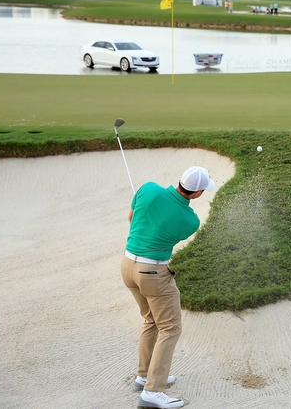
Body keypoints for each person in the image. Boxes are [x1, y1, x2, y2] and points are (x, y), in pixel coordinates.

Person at [121, 166, 217, 409]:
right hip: (152, 273)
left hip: (127, 265)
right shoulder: (190, 220)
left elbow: (132, 219)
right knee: (170, 327)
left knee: (151, 320)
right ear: (196, 194)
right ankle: (153, 391)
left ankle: (144, 377)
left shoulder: (147, 189)